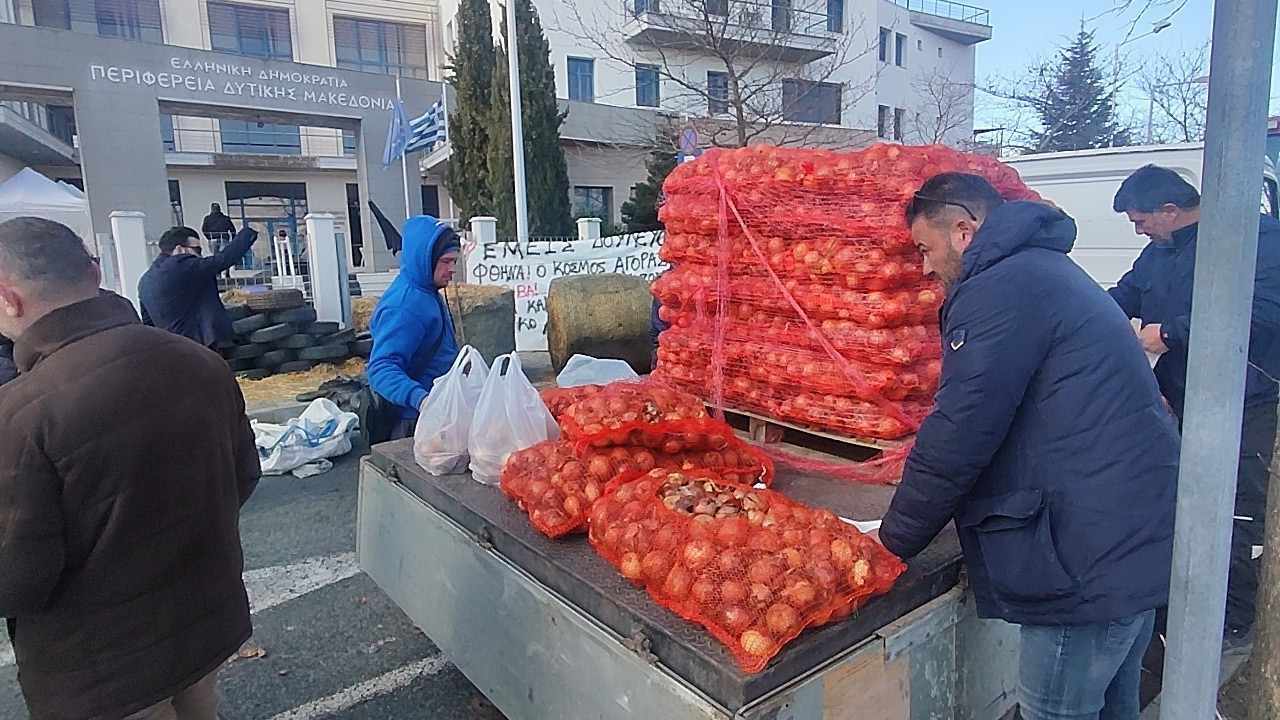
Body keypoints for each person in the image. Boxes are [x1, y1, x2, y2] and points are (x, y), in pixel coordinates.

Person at [877, 174, 1180, 720]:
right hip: (1128, 538)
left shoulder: (1000, 289)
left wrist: (892, 542)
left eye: (925, 249)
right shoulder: (1044, 270)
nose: (923, 267)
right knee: (1115, 706)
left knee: (1056, 710)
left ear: (965, 232)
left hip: (1083, 560)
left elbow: (960, 431)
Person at [0, 217, 260, 720]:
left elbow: (17, 577)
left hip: (102, 665)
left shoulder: (21, 411)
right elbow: (244, 476)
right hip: (204, 618)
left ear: (10, 299)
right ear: (94, 272)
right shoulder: (200, 362)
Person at [1109, 165, 1280, 649]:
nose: (1139, 230)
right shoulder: (1160, 251)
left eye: (1142, 221)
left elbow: (1260, 314)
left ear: (1171, 210)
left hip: (1248, 403)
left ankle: (1233, 620)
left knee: (1237, 511)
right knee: (1178, 503)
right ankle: (1178, 603)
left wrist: (1166, 333)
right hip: (1180, 401)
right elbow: (1124, 294)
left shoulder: (1259, 241)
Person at [367, 216, 461, 440]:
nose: (452, 269)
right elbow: (380, 368)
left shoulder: (427, 291)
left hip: (439, 409)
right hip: (414, 420)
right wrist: (422, 400)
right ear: (425, 259)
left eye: (454, 262)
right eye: (446, 261)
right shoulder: (404, 306)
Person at [139, 224, 258, 348]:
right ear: (180, 249)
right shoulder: (182, 264)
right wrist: (248, 232)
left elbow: (148, 322)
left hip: (171, 349)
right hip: (200, 346)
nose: (200, 256)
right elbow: (224, 259)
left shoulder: (144, 281)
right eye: (197, 250)